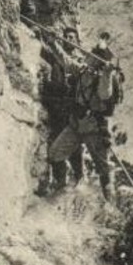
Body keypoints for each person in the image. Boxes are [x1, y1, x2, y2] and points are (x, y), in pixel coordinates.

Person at [46, 33, 124, 200]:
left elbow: (105, 94)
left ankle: (109, 206)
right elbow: (66, 62)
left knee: (104, 170)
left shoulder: (103, 77)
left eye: (93, 55)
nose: (88, 56)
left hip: (95, 129)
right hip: (76, 124)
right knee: (55, 154)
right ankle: (62, 190)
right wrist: (53, 43)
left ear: (98, 62)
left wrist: (108, 74)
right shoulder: (82, 70)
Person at [38, 26, 84, 193]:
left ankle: (79, 176)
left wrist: (54, 43)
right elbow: (44, 51)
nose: (69, 40)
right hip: (57, 105)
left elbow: (69, 65)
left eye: (72, 37)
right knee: (56, 140)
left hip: (73, 107)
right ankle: (60, 181)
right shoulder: (56, 55)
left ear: (77, 41)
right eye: (67, 37)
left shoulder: (81, 61)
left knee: (74, 145)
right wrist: (40, 35)